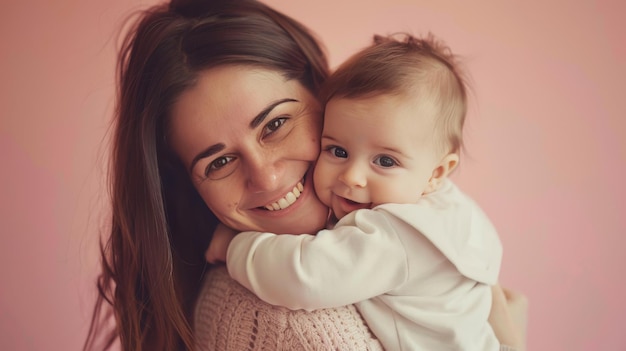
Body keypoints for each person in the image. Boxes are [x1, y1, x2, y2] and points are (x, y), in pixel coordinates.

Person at [83, 0, 528, 350]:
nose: (267, 177)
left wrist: (238, 245)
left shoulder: (397, 224)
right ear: (185, 184)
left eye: (275, 124)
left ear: (325, 90)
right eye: (218, 162)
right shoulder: (295, 328)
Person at [207, 33, 502, 350]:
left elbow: (305, 277)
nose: (353, 176)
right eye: (337, 151)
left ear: (437, 173)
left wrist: (237, 247)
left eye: (385, 161)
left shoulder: (397, 233)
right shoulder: (452, 209)